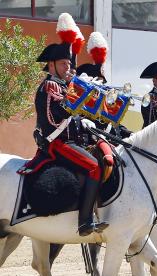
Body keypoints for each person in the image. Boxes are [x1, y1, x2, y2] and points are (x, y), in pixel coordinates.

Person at [33, 42, 108, 236]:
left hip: (72, 141)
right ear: (52, 65)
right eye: (64, 64)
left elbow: (78, 114)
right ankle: (85, 222)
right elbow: (57, 115)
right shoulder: (51, 85)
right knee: (93, 166)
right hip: (56, 143)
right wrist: (80, 93)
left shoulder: (65, 86)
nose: (69, 68)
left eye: (69, 63)